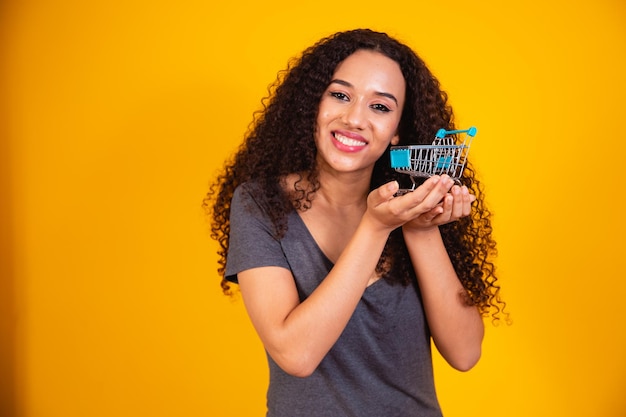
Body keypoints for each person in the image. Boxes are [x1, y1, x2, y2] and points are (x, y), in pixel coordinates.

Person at [204, 28, 506, 417]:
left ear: (397, 129)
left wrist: (421, 229)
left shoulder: (411, 206)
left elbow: (465, 353)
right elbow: (296, 354)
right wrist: (375, 227)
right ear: (314, 103)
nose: (354, 118)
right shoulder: (261, 204)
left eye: (380, 107)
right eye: (341, 95)